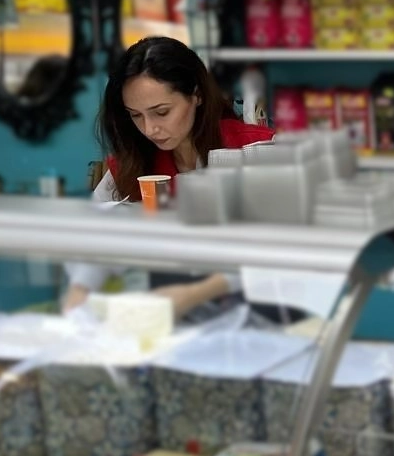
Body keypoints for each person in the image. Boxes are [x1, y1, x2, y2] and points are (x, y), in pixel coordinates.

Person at [63, 36, 273, 317]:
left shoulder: (257, 151)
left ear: (196, 95)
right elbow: (94, 235)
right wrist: (80, 289)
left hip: (258, 309)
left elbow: (276, 248)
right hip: (171, 313)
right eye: (135, 116)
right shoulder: (130, 166)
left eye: (161, 112)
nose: (149, 129)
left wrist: (197, 293)